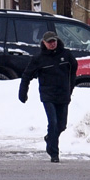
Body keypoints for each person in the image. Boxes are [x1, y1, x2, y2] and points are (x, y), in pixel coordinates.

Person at [18, 30, 78, 162]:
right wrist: (23, 93)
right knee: (53, 123)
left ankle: (49, 138)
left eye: (54, 41)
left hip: (63, 94)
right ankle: (54, 154)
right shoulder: (38, 59)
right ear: (44, 43)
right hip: (48, 95)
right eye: (49, 42)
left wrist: (70, 88)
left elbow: (73, 71)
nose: (52, 44)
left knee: (62, 126)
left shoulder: (66, 55)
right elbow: (26, 76)